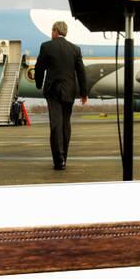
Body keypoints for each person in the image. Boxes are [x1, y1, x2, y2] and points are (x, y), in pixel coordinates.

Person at [35, 21, 88, 170]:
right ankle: (64, 157)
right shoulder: (75, 49)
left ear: (55, 31)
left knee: (55, 124)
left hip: (53, 91)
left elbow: (39, 68)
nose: (51, 33)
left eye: (52, 31)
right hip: (69, 91)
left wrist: (39, 84)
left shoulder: (46, 47)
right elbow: (81, 72)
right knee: (66, 124)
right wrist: (84, 93)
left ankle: (58, 161)